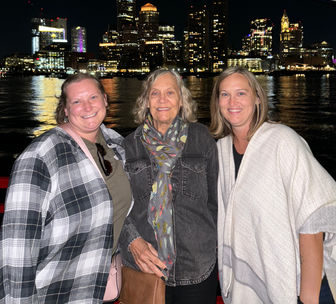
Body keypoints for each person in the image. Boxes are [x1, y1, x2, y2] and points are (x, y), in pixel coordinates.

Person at [0, 72, 132, 303]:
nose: (87, 106)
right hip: (58, 290)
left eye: (93, 97)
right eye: (76, 101)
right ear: (66, 110)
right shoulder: (42, 154)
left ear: (105, 101)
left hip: (102, 283)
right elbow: (17, 244)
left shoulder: (116, 144)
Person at [210, 66, 336, 304]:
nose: (232, 101)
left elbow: (313, 216)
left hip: (300, 284)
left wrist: (308, 294)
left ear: (257, 98)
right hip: (253, 284)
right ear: (217, 102)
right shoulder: (221, 151)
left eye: (241, 93)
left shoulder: (282, 141)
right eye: (224, 94)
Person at [119, 69, 218, 304]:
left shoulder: (201, 139)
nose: (162, 100)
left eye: (170, 93)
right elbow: (118, 207)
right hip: (146, 270)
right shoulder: (129, 146)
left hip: (197, 269)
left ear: (181, 100)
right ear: (145, 102)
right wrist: (131, 240)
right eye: (155, 94)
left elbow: (216, 202)